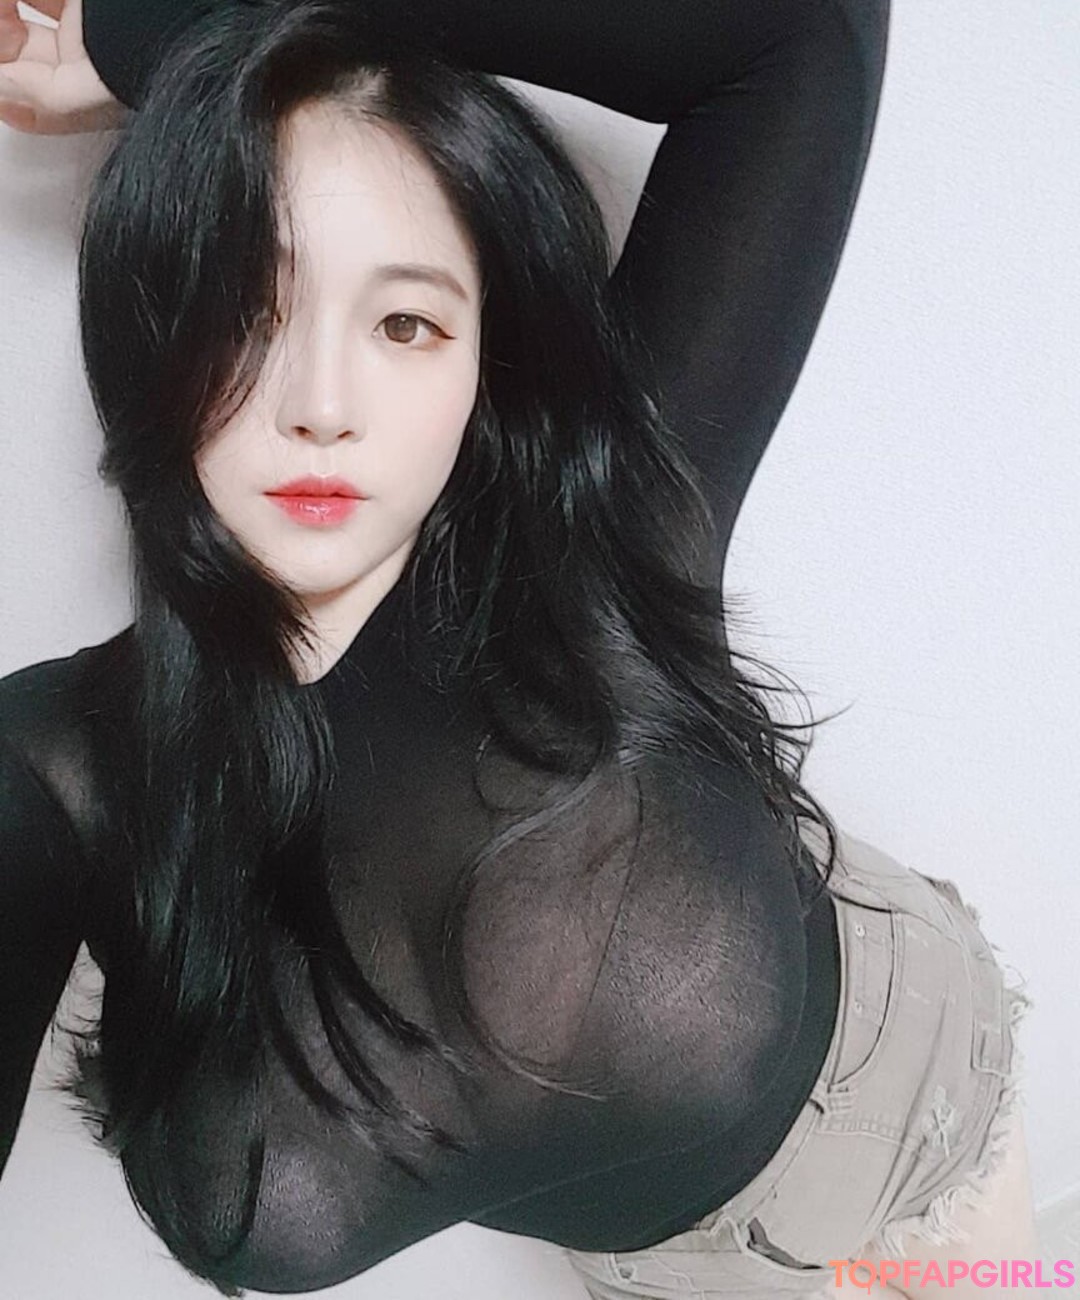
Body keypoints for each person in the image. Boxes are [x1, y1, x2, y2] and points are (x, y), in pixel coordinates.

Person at [0, 1, 1038, 1297]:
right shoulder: (65, 774)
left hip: (921, 1115)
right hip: (664, 1275)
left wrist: (188, 34)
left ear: (479, 359)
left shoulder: (591, 542)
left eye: (405, 324)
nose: (321, 404)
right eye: (246, 316)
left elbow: (802, 40)